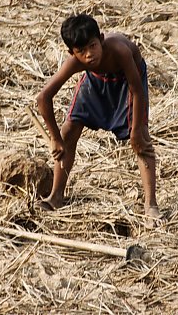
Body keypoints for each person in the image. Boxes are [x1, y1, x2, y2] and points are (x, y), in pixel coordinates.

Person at [36, 14, 162, 228]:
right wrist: (55, 138)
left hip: (127, 84)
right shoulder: (76, 62)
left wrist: (136, 131)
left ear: (101, 39)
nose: (89, 54)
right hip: (95, 81)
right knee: (68, 131)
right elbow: (43, 98)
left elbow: (137, 90)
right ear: (72, 52)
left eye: (93, 46)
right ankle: (56, 196)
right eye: (81, 51)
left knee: (142, 140)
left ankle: (151, 206)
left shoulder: (120, 51)